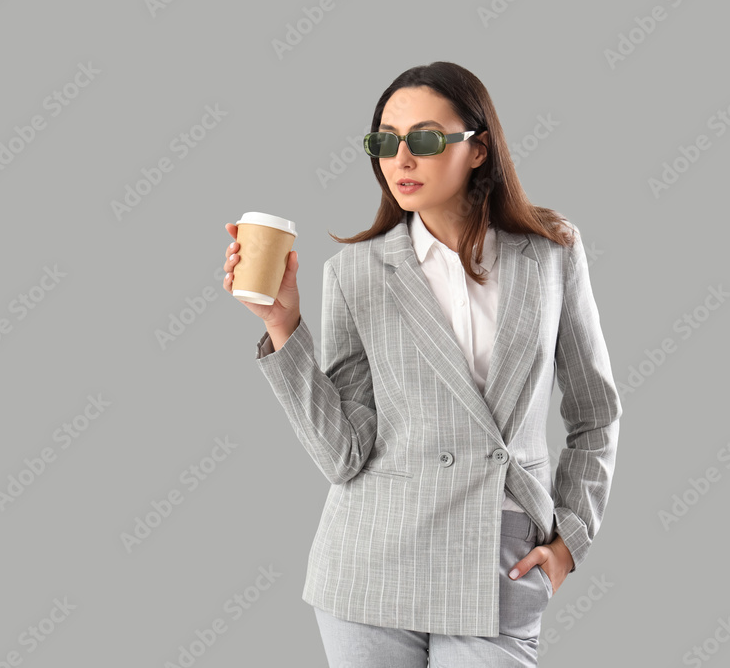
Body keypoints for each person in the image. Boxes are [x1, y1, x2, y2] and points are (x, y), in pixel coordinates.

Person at [222, 61, 622, 667]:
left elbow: (596, 413)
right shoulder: (356, 272)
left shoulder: (550, 250)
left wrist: (571, 537)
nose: (400, 159)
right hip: (371, 566)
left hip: (499, 553)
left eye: (426, 140)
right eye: (385, 141)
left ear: (479, 149)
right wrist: (283, 327)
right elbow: (343, 454)